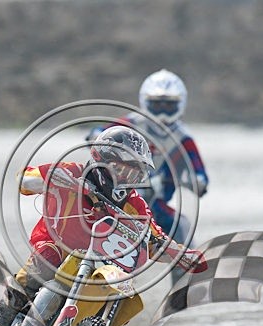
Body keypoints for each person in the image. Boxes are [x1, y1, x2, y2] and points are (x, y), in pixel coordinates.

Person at [0, 126, 207, 326]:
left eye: (135, 172)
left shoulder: (135, 203)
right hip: (57, 243)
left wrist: (183, 254)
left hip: (100, 258)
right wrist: (53, 180)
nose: (128, 177)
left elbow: (154, 235)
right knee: (46, 260)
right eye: (123, 169)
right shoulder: (73, 171)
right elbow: (24, 179)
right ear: (102, 160)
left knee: (118, 283)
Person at [88, 69, 209, 248]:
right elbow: (101, 132)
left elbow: (200, 173)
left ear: (180, 104)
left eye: (168, 106)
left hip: (155, 204)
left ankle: (184, 275)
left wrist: (197, 182)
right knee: (86, 219)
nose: (162, 112)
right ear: (145, 102)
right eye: (157, 105)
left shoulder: (184, 139)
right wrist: (96, 136)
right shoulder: (130, 124)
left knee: (182, 228)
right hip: (114, 197)